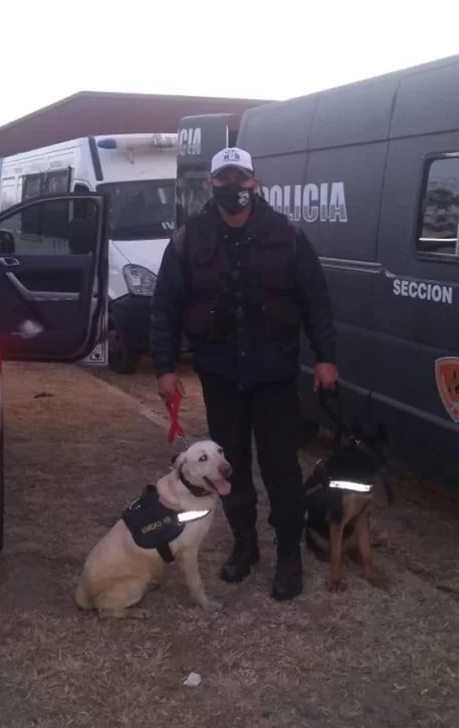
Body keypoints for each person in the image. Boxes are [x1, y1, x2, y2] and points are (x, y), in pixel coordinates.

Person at [150, 146, 338, 601]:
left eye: (241, 179)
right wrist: (164, 366)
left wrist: (327, 357)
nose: (233, 188)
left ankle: (288, 556)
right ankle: (245, 546)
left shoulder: (287, 235)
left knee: (281, 469)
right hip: (220, 375)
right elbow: (165, 307)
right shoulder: (188, 239)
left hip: (274, 375)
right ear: (211, 184)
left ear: (254, 183)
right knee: (224, 468)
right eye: (224, 180)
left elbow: (316, 299)